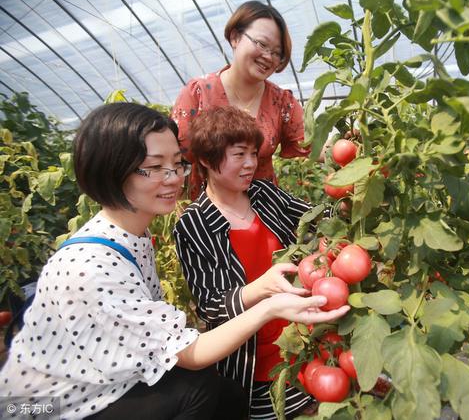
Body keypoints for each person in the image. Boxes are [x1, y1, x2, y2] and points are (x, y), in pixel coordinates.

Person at [0, 103, 348, 420]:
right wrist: (268, 304)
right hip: (44, 406)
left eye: (176, 164)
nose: (174, 178)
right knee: (200, 391)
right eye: (154, 167)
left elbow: (317, 218)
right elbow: (191, 347)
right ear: (111, 170)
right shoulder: (91, 267)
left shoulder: (131, 235)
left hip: (105, 383)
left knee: (216, 393)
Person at [173, 106, 318, 419]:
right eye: (239, 155)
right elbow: (210, 305)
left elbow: (312, 217)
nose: (251, 163)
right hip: (253, 361)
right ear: (207, 160)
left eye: (253, 153)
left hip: (304, 338)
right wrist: (260, 290)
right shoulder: (194, 224)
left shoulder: (264, 193)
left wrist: (350, 199)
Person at [172, 0, 309, 200]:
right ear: (235, 37)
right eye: (262, 44)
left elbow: (312, 143)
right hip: (211, 215)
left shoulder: (282, 102)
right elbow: (174, 156)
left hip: (264, 212)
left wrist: (354, 148)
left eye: (277, 53)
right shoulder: (198, 94)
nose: (268, 57)